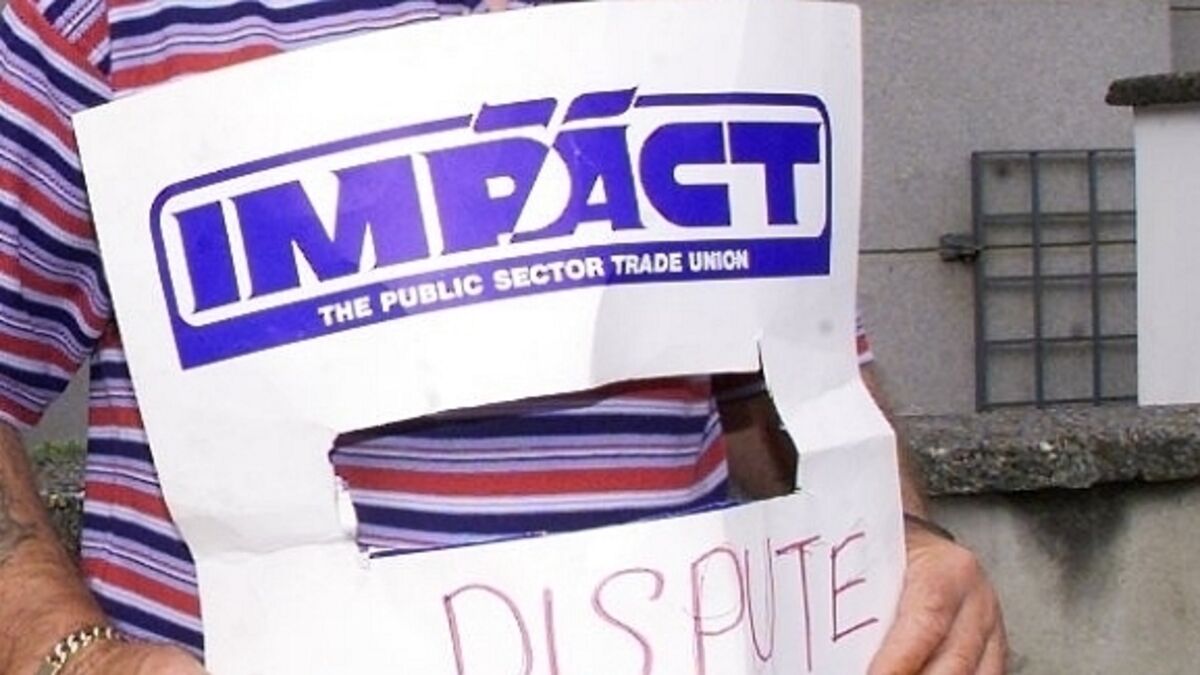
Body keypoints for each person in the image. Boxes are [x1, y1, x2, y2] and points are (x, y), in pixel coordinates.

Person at [0, 1, 1005, 673]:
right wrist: (66, 654)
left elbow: (791, 385)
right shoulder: (110, 17)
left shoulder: (712, 14)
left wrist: (902, 547)